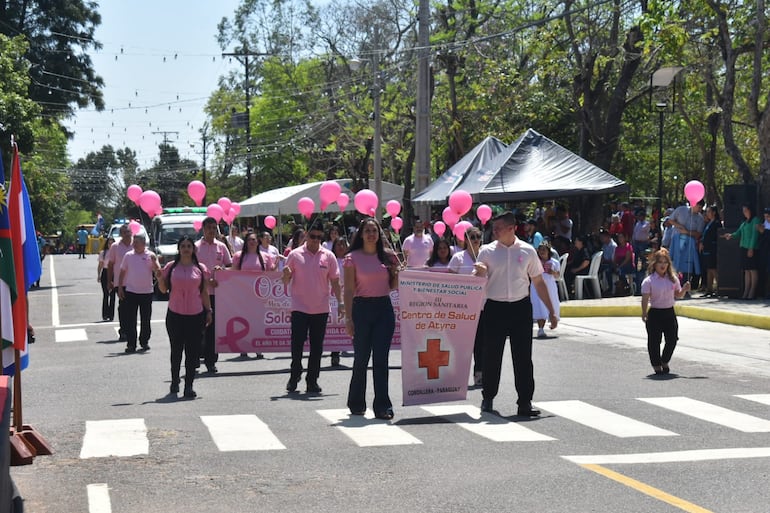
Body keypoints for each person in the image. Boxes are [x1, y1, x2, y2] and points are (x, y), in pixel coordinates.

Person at [473, 212, 557, 416]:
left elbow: (538, 282)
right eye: (494, 228)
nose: (494, 231)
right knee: (491, 355)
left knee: (523, 357)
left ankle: (525, 402)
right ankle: (488, 397)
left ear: (512, 229)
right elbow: (475, 281)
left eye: (499, 228)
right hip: (495, 307)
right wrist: (479, 273)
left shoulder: (528, 251)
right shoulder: (486, 251)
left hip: (520, 307)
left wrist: (551, 311)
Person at [343, 217, 399, 420]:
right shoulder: (352, 258)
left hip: (384, 309)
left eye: (374, 231)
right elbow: (348, 290)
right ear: (361, 234)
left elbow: (392, 286)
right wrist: (348, 318)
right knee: (361, 358)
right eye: (367, 230)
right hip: (361, 310)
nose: (371, 234)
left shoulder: (389, 257)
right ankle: (356, 402)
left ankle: (383, 406)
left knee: (381, 360)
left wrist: (397, 273)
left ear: (379, 234)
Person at [282, 221, 342, 394]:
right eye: (312, 236)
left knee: (317, 347)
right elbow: (285, 280)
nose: (315, 240)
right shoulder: (294, 254)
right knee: (297, 345)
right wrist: (285, 275)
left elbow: (335, 281)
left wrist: (341, 302)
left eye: (318, 237)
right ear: (306, 235)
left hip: (321, 308)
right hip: (299, 307)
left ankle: (312, 380)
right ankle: (295, 375)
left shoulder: (328, 256)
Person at [157, 236, 212, 398]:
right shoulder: (171, 267)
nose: (186, 249)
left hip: (195, 315)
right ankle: (175, 380)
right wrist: (160, 278)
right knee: (176, 351)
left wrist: (209, 311)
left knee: (192, 352)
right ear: (179, 249)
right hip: (175, 315)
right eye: (183, 246)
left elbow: (204, 292)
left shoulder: (200, 269)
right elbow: (163, 289)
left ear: (193, 249)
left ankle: (189, 385)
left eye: (189, 246)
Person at [641, 249, 690, 375]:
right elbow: (645, 298)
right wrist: (644, 312)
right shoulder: (649, 281)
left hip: (669, 312)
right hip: (655, 314)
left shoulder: (673, 279)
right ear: (654, 264)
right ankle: (656, 364)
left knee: (672, 339)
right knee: (654, 340)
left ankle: (665, 360)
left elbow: (678, 295)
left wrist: (684, 289)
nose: (663, 265)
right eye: (660, 262)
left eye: (665, 262)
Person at [448, 226, 484, 386]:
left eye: (478, 237)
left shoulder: (486, 256)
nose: (475, 240)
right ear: (465, 239)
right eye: (472, 237)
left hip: (482, 306)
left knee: (481, 344)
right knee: (461, 344)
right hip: (462, 307)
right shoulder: (458, 258)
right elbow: (449, 281)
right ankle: (457, 376)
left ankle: (480, 373)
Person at [195, 216, 232, 373]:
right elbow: (192, 269)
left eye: (214, 228)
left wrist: (223, 271)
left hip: (217, 294)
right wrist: (205, 281)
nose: (211, 231)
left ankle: (211, 361)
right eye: (208, 227)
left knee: (213, 329)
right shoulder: (196, 247)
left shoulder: (221, 247)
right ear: (203, 229)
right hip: (198, 294)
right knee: (197, 328)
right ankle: (194, 358)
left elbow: (231, 267)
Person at [232, 232, 277, 359]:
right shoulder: (238, 256)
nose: (252, 242)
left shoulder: (265, 256)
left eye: (254, 239)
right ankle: (243, 347)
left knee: (257, 321)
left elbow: (271, 273)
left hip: (259, 296)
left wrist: (277, 264)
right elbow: (232, 273)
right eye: (249, 239)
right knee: (243, 321)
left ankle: (258, 347)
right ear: (246, 241)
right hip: (243, 295)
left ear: (258, 242)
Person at [117, 234, 160, 353]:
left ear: (143, 243)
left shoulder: (150, 255)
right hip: (131, 291)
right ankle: (131, 343)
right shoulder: (128, 255)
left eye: (136, 242)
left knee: (145, 319)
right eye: (133, 242)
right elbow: (122, 271)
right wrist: (120, 287)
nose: (134, 244)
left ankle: (144, 341)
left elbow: (157, 271)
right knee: (131, 319)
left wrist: (154, 262)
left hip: (146, 292)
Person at [723, 204, 761, 299]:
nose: (744, 212)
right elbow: (738, 232)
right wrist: (731, 235)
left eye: (746, 210)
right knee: (746, 270)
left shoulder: (755, 220)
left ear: (750, 210)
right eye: (743, 211)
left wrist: (751, 248)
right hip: (743, 247)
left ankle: (752, 291)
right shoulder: (744, 222)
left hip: (751, 248)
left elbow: (754, 235)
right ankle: (746, 291)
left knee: (752, 270)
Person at [669, 200, 705, 289]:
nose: (699, 210)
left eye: (701, 208)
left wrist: (687, 232)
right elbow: (670, 220)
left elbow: (698, 234)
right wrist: (679, 225)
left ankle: (685, 288)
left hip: (689, 244)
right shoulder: (681, 210)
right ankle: (673, 287)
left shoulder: (700, 218)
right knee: (673, 263)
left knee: (687, 266)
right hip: (676, 241)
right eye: (699, 207)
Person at [107, 224, 134, 342]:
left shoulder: (136, 245)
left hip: (135, 283)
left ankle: (130, 331)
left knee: (132, 309)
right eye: (123, 232)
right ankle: (123, 331)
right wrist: (109, 281)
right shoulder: (115, 247)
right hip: (121, 282)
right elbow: (110, 264)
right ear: (121, 234)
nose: (126, 234)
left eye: (128, 232)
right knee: (123, 308)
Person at [532, 241, 560, 339]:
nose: (542, 252)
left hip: (550, 287)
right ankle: (541, 328)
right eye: (540, 250)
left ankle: (553, 321)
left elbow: (558, 276)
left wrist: (552, 272)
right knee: (539, 306)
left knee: (551, 305)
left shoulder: (554, 262)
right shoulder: (535, 262)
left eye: (544, 250)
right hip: (536, 287)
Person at [329, 237, 350, 367]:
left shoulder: (350, 261)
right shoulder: (331, 260)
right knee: (334, 327)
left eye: (343, 244)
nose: (341, 247)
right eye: (338, 244)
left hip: (349, 298)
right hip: (333, 299)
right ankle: (334, 354)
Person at [699, 205, 720, 297]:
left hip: (712, 248)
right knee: (708, 269)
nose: (707, 214)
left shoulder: (716, 223)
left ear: (714, 212)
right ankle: (709, 289)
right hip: (706, 249)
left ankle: (719, 288)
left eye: (709, 211)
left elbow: (714, 236)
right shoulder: (708, 223)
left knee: (713, 268)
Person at [97, 237, 116, 321]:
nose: (110, 245)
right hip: (105, 272)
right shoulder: (103, 253)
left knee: (112, 295)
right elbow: (100, 265)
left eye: (112, 243)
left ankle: (111, 315)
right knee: (106, 294)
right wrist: (99, 275)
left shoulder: (116, 253)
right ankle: (105, 314)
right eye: (109, 243)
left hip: (114, 273)